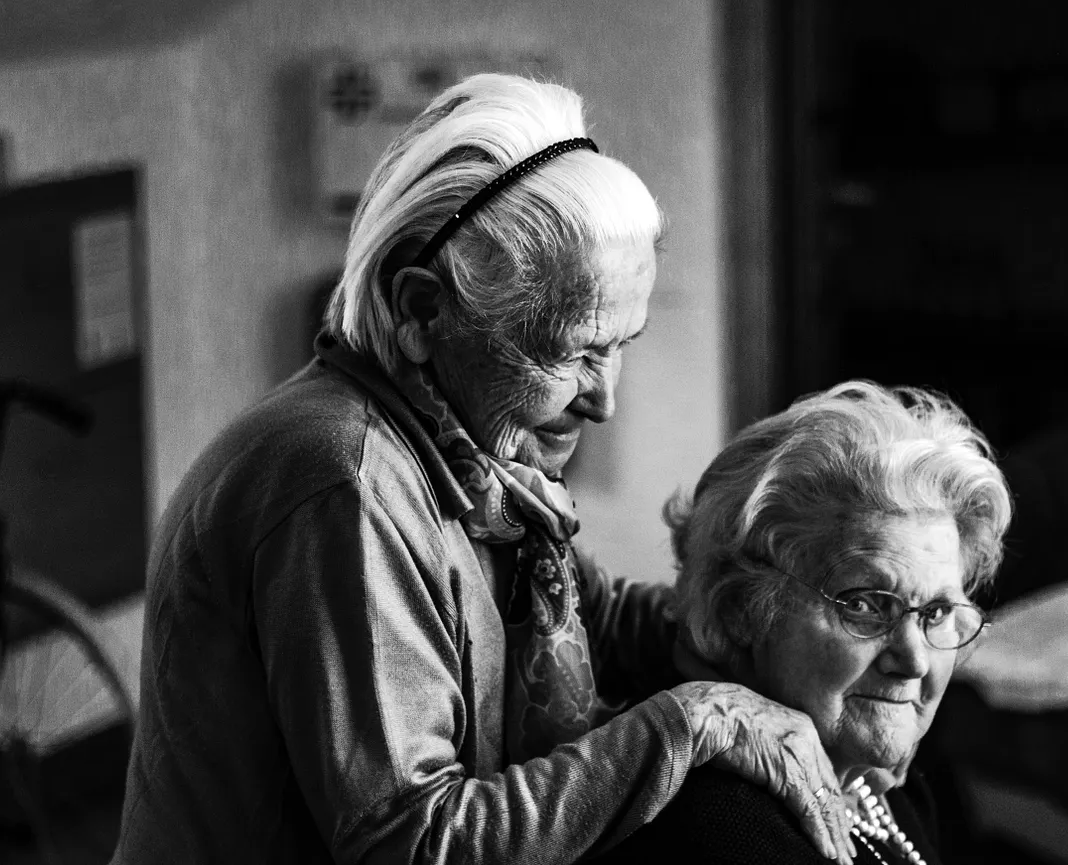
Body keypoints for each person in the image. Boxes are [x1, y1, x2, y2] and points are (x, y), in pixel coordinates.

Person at [111, 74, 858, 865]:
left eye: (620, 347)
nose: (604, 401)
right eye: (573, 352)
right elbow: (413, 840)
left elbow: (600, 619)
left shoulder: (469, 461)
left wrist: (804, 624)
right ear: (423, 310)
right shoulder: (344, 484)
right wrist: (690, 723)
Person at [595, 381, 1012, 864]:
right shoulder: (722, 825)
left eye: (936, 613)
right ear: (741, 611)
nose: (914, 660)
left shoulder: (888, 779)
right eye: (866, 605)